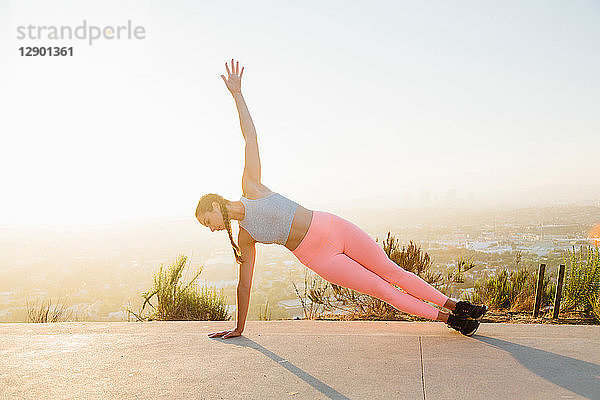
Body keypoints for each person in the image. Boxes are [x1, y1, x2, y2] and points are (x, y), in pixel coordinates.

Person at [196, 59, 487, 340]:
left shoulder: (251, 187)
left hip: (332, 226)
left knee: (392, 271)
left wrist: (238, 95)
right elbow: (244, 284)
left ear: (214, 205)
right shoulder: (246, 237)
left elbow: (251, 138)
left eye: (207, 221)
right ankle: (453, 321)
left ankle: (456, 305)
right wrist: (239, 327)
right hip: (319, 257)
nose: (211, 228)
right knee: (383, 290)